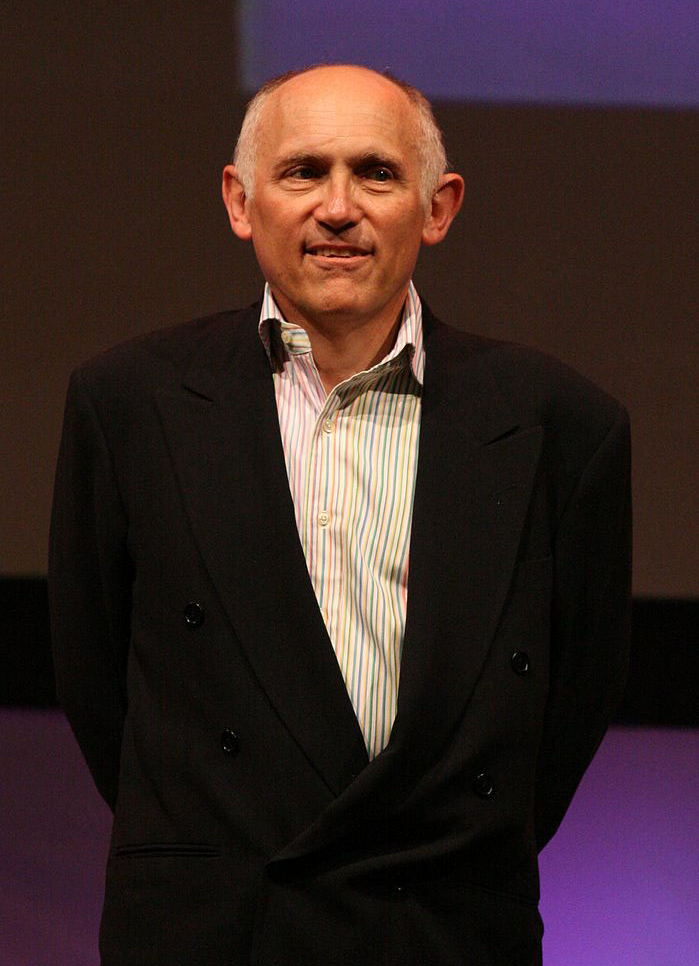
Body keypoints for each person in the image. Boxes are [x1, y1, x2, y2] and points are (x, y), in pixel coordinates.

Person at [49, 64, 631, 966]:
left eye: (376, 173)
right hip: (215, 929)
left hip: (441, 927)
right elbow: (96, 681)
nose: (336, 208)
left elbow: (571, 705)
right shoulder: (128, 403)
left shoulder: (562, 425)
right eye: (302, 172)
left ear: (436, 208)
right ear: (240, 202)